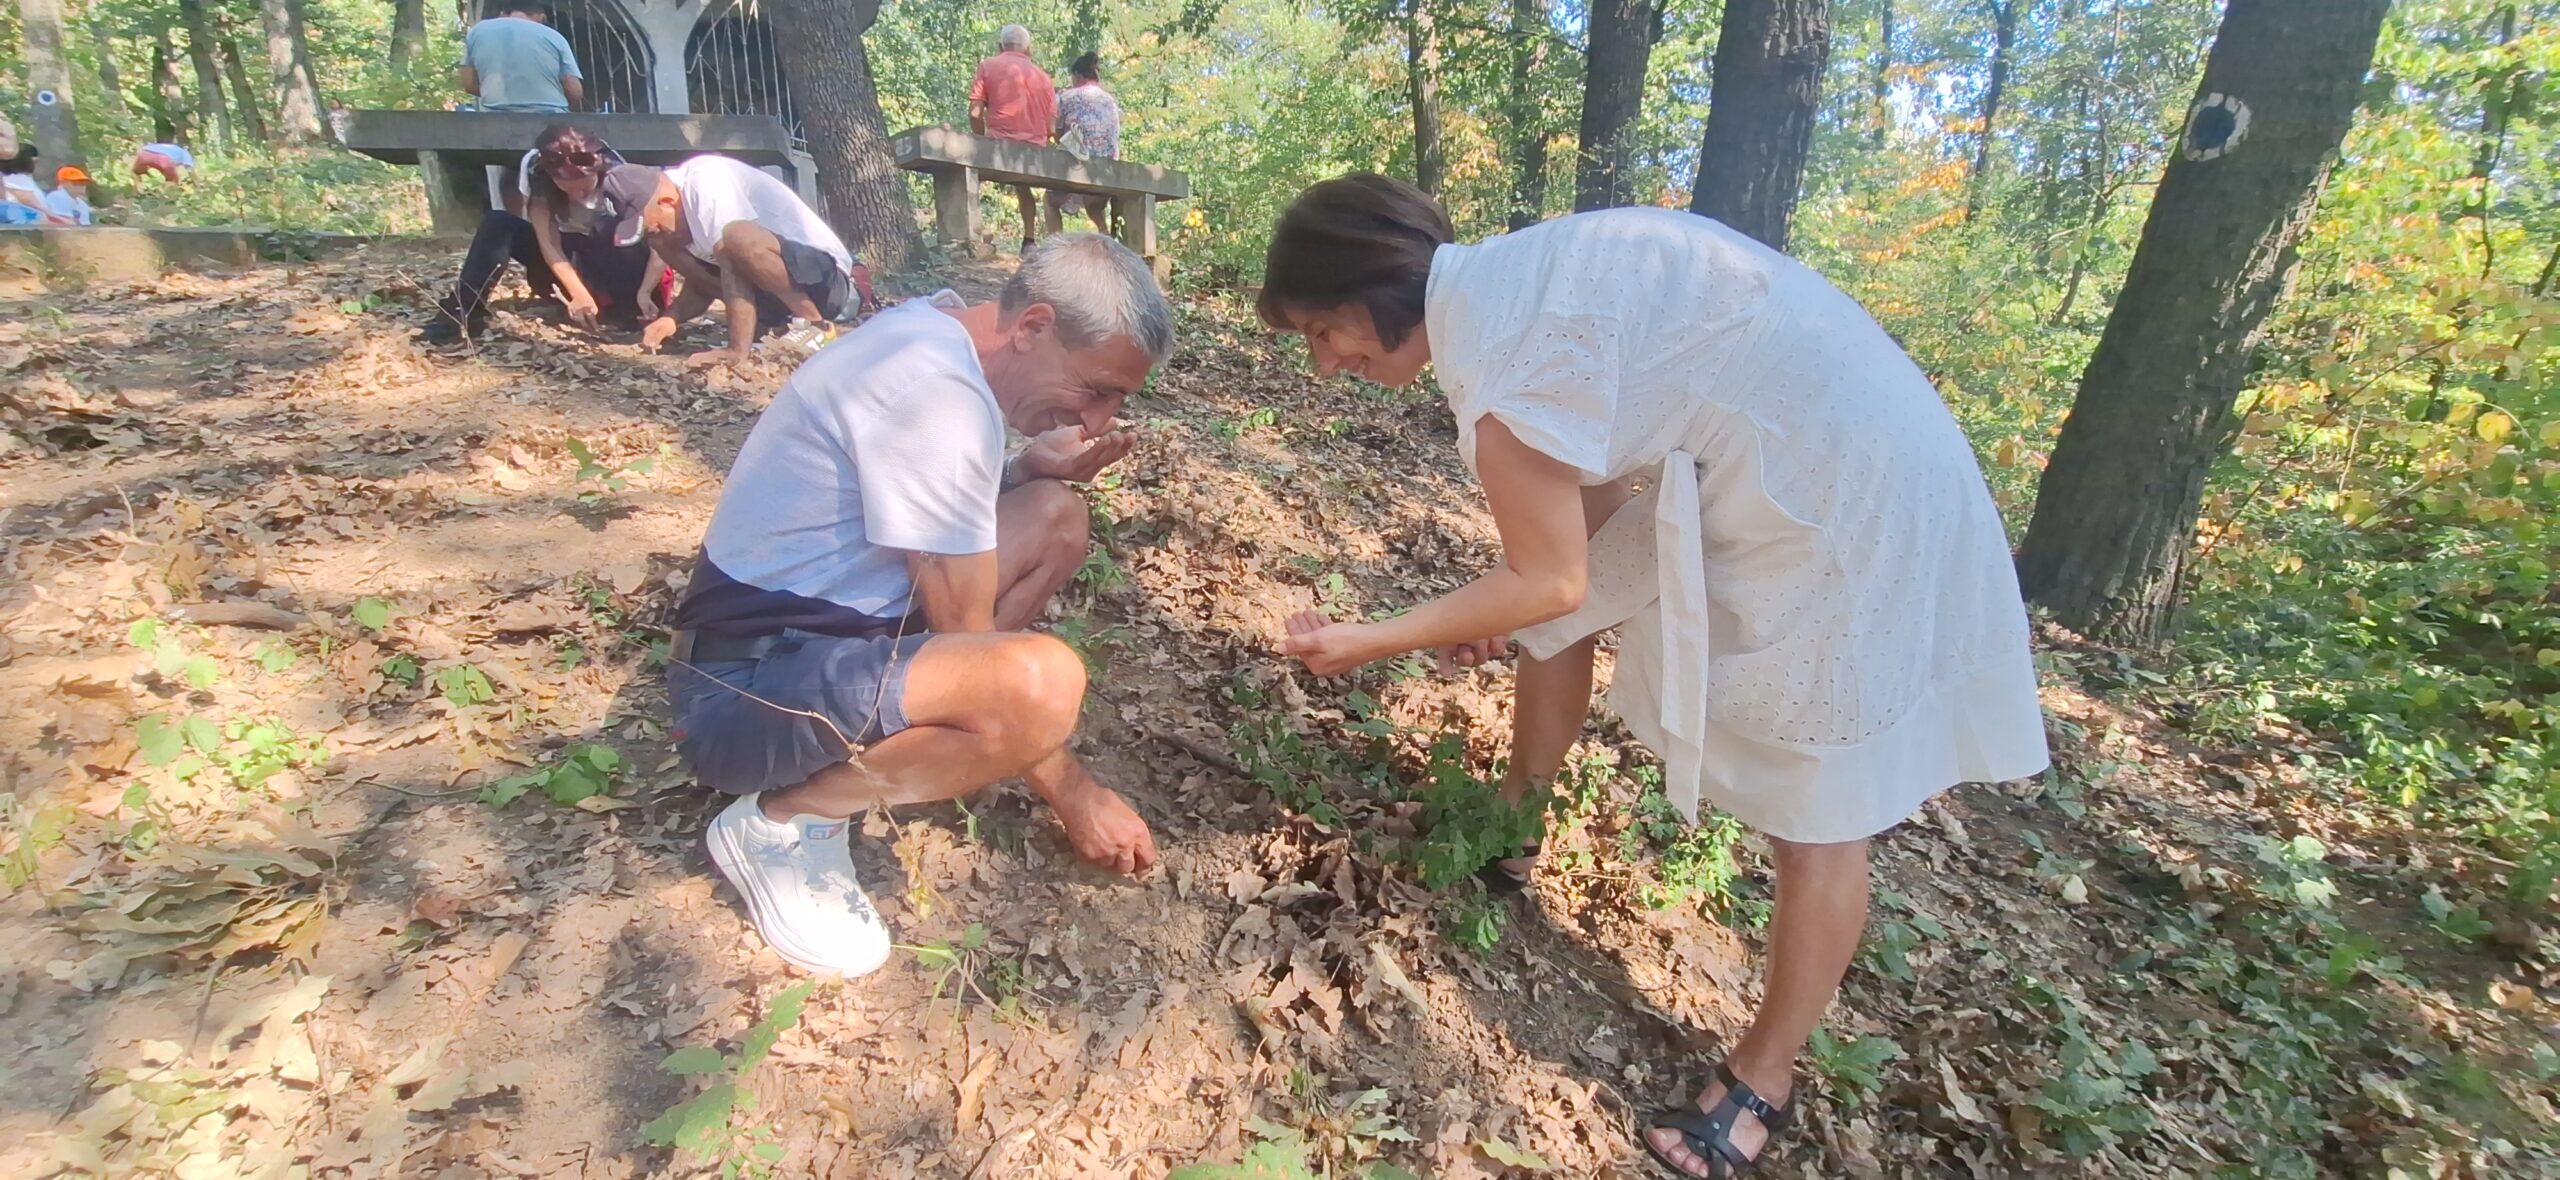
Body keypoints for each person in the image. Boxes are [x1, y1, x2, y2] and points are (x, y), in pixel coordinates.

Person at [1258, 175, 2051, 1177]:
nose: (1325, 364)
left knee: (1819, 805)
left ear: (1375, 290)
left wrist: (1377, 635)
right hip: (1817, 445)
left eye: (1324, 331)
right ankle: (1516, 826)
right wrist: (1486, 614)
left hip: (1851, 486)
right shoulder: (1514, 289)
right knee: (1553, 629)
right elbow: (1559, 568)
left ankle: (1763, 1081)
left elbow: (1549, 578)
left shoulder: (1506, 372)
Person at [669, 233, 1170, 977]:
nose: (1096, 421)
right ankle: (784, 822)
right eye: (1095, 389)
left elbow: (926, 504)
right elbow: (971, 641)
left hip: (811, 636)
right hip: (742, 693)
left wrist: (1028, 466)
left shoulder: (932, 331)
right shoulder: (937, 394)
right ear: (1032, 326)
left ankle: (938, 731)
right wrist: (1075, 792)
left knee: (1054, 514)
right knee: (1038, 686)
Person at [600, 156, 875, 367]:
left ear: (668, 201)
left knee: (737, 237)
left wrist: (735, 351)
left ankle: (815, 327)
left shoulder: (705, 181)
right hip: (781, 298)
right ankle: (776, 327)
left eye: (655, 224)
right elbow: (704, 284)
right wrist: (670, 318)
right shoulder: (674, 227)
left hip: (833, 287)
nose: (657, 232)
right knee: (665, 244)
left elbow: (733, 266)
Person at [419, 125, 664, 344]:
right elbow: (548, 243)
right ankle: (460, 312)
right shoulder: (539, 178)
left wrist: (645, 291)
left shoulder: (626, 179)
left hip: (629, 270)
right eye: (566, 186)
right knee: (498, 223)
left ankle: (622, 310)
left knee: (604, 229)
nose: (577, 194)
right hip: (576, 261)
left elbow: (662, 245)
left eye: (583, 185)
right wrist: (578, 292)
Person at [968, 24, 1056, 252]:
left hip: (999, 146)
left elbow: (975, 113)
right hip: (1033, 155)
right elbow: (1051, 128)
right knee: (1022, 184)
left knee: (966, 172)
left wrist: (980, 140)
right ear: (1028, 50)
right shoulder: (1045, 78)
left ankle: (975, 230)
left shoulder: (988, 66)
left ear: (1000, 47)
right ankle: (1029, 241)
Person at [458, 0, 583, 114]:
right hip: (549, 116)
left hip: (495, 117)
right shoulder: (555, 37)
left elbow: (468, 84)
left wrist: (503, 98)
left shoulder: (477, 31)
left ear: (503, 14)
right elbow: (574, 91)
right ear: (541, 17)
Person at [1047, 51, 1121, 236]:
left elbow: (1053, 130)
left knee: (1049, 199)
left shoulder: (1066, 97)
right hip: (1107, 171)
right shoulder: (1110, 101)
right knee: (1094, 207)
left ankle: (1057, 245)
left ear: (1078, 75)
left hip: (1077, 166)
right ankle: (1105, 235)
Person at [1, 148, 65, 225]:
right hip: (28, 223)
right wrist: (60, 220)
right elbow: (32, 203)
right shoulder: (14, 179)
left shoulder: (24, 178)